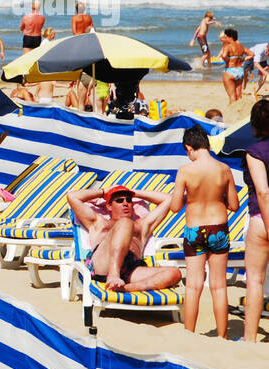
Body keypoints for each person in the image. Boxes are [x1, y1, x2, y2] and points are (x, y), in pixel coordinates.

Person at [170, 126, 238, 339]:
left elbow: (174, 207)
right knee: (218, 285)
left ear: (189, 147)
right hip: (218, 227)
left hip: (194, 229)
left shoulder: (185, 171)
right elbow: (234, 205)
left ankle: (189, 334)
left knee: (193, 285)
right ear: (208, 145)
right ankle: (222, 336)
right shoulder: (224, 169)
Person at [66, 184, 180, 293]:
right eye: (119, 200)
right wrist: (104, 192)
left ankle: (127, 288)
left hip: (129, 270)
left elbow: (169, 199)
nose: (125, 203)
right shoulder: (100, 224)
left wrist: (134, 193)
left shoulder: (141, 226)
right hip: (103, 265)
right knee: (125, 223)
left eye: (129, 200)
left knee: (175, 273)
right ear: (109, 206)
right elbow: (72, 196)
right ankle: (113, 274)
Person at [240, 98, 269, 342]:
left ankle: (249, 339)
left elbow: (263, 192)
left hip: (263, 218)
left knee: (255, 280)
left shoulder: (255, 152)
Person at [220, 28, 249, 104]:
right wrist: (242, 60)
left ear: (230, 37)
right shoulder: (241, 46)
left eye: (225, 37)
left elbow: (223, 56)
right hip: (240, 70)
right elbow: (252, 54)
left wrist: (227, 61)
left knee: (232, 96)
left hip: (230, 71)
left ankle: (233, 112)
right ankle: (239, 110)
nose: (225, 39)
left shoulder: (227, 46)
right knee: (239, 94)